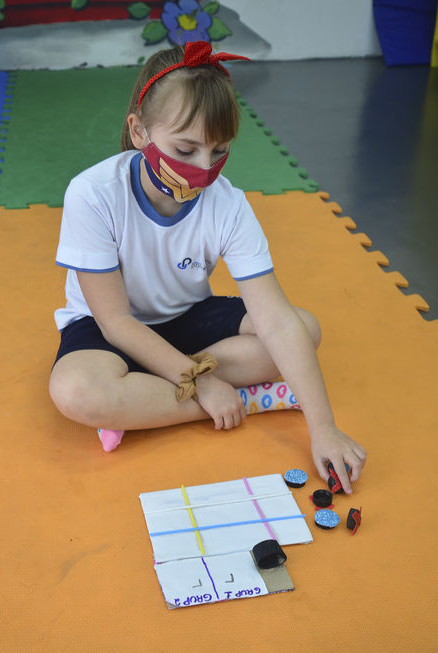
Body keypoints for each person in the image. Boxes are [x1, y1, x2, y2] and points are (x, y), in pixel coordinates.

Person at [49, 41, 366, 493]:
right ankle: (250, 400)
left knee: (303, 329)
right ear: (139, 132)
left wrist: (325, 428)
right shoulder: (93, 194)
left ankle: (142, 403)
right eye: (185, 150)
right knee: (76, 392)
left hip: (186, 318)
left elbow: (276, 320)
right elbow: (116, 322)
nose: (203, 169)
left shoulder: (229, 205)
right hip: (106, 328)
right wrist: (200, 384)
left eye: (218, 152)